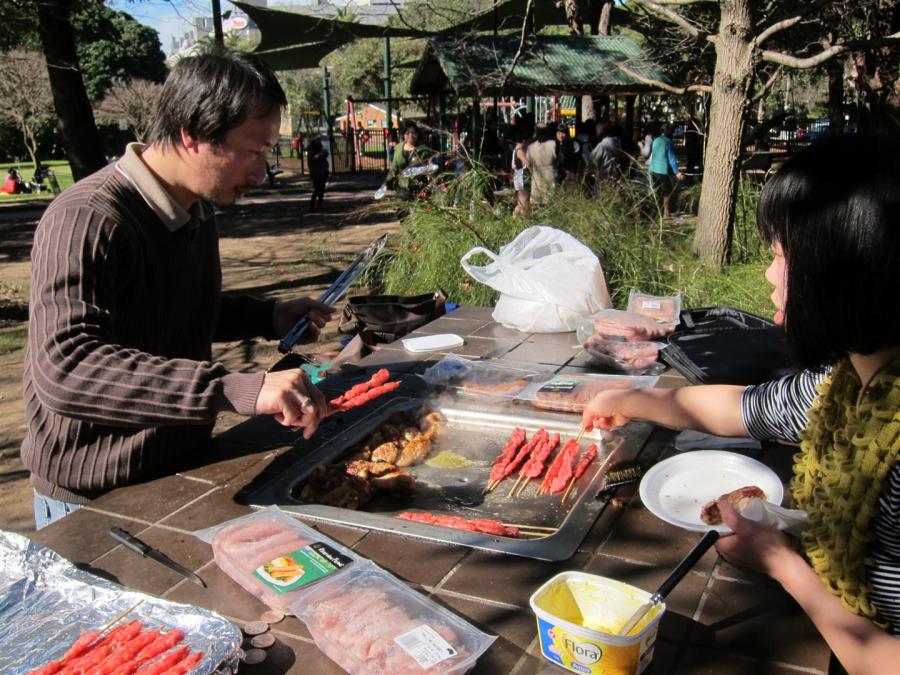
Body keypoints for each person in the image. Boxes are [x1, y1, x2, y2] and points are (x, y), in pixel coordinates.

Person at [580, 135, 900, 672]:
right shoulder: (847, 385)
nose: (770, 275)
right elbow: (740, 407)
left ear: (846, 271)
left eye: (782, 256)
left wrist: (783, 565)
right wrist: (628, 399)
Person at [22, 48, 335, 530]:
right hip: (94, 496)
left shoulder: (195, 209)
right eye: (253, 151)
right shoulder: (87, 218)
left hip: (180, 464)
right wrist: (236, 389)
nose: (261, 173)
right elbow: (66, 368)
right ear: (192, 134)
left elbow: (167, 309)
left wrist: (266, 315)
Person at [385, 122, 431, 199]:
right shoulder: (398, 149)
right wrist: (386, 183)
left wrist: (427, 188)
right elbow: (393, 169)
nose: (410, 135)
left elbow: (430, 170)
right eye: (407, 133)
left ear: (417, 134)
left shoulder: (424, 150)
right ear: (403, 134)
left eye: (413, 133)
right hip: (402, 188)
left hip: (419, 189)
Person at [648, 123, 684, 218]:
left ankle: (655, 212)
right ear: (669, 132)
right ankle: (666, 212)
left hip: (652, 169)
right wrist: (677, 173)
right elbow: (672, 160)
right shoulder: (668, 142)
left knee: (656, 191)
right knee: (666, 191)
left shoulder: (656, 140)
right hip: (662, 170)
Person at [525, 124, 556, 206]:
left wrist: (532, 171)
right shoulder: (553, 144)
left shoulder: (530, 147)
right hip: (550, 175)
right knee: (549, 202)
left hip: (536, 175)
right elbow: (559, 159)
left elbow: (528, 163)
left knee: (536, 203)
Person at [590, 122, 623, 197]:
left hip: (602, 181)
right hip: (614, 179)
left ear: (600, 131)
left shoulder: (601, 146)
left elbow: (590, 161)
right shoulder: (617, 143)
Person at [511, 130, 531, 216]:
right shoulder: (520, 151)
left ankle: (513, 218)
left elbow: (513, 166)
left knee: (520, 204)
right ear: (524, 141)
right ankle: (525, 220)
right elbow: (528, 164)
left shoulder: (515, 150)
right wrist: (533, 172)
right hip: (522, 179)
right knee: (524, 204)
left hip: (517, 178)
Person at [307, 138, 329, 212]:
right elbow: (313, 160)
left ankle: (319, 205)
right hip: (316, 173)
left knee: (322, 189)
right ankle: (312, 204)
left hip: (323, 172)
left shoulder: (321, 151)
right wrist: (320, 155)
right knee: (317, 189)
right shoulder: (311, 152)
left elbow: (324, 159)